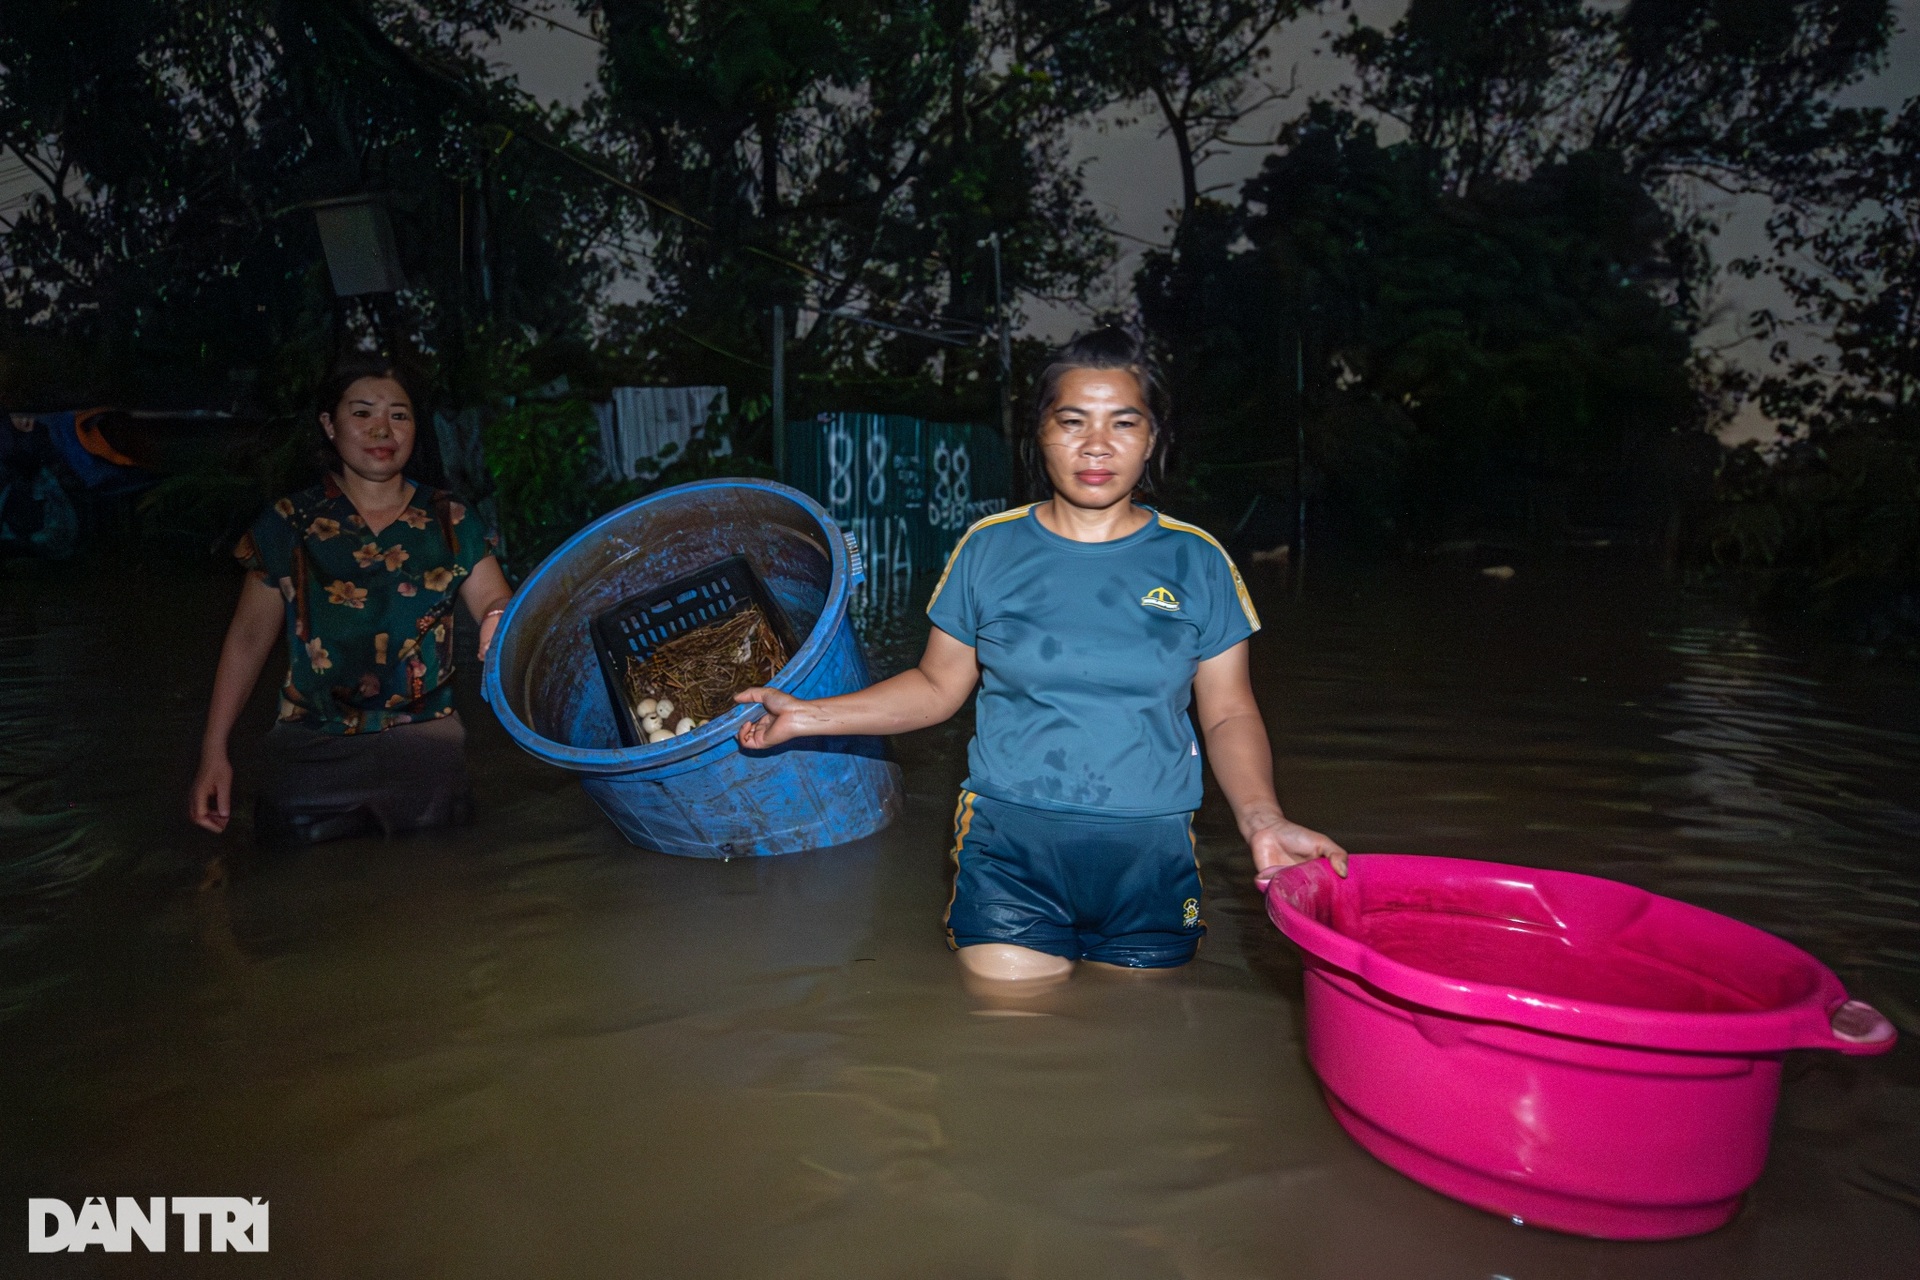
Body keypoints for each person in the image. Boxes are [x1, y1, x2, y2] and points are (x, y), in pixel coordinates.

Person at [736, 327, 1345, 986]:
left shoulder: (1197, 561)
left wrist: (1263, 817)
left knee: (1139, 1033)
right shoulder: (988, 550)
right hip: (1011, 845)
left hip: (1150, 850)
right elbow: (937, 688)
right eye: (1073, 421)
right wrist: (809, 716)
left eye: (1123, 423)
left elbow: (1227, 714)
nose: (1096, 445)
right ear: (1040, 434)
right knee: (1011, 1032)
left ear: (1153, 440)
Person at [188, 357, 513, 844]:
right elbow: (248, 638)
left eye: (399, 415)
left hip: (427, 748)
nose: (382, 428)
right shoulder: (288, 521)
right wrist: (214, 750)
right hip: (309, 750)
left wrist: (497, 618)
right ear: (329, 425)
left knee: (444, 896)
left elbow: (495, 599)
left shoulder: (452, 519)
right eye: (362, 413)